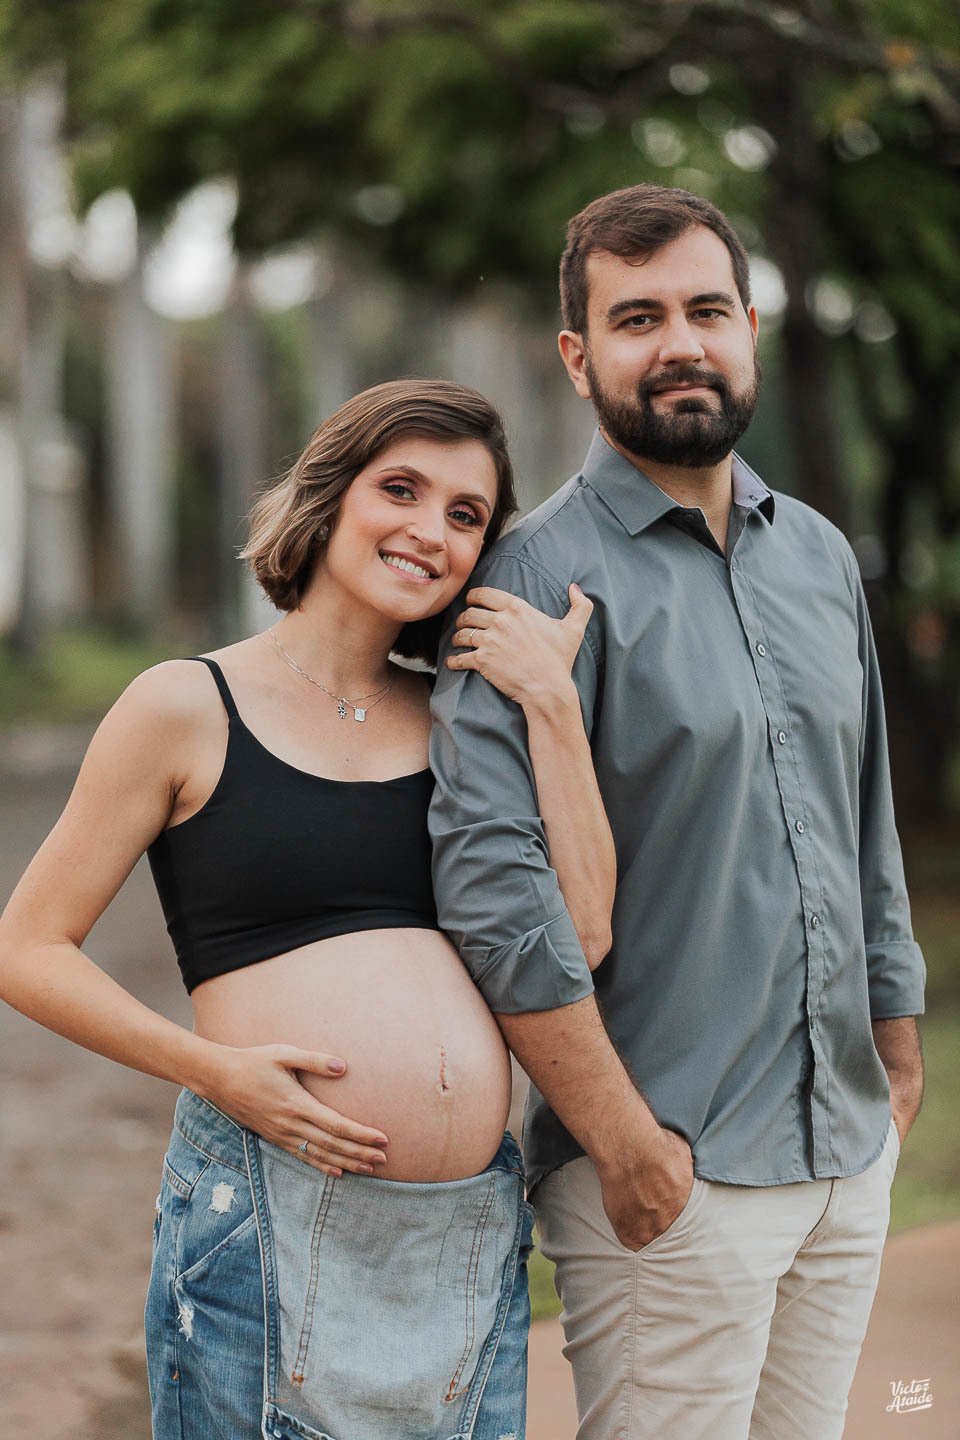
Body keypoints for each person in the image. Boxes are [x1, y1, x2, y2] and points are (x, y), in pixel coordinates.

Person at [0, 378, 614, 1440]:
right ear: (332, 496)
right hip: (266, 1213)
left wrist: (552, 704)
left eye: (466, 515)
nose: (430, 531)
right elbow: (27, 948)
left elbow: (586, 931)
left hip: (464, 1236)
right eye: (401, 489)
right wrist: (214, 1071)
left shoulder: (464, 720)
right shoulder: (184, 705)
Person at [429, 185, 926, 1439]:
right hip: (670, 1176)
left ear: (749, 329)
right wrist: (624, 1143)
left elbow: (864, 818)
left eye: (706, 311)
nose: (680, 344)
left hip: (844, 1152)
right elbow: (496, 896)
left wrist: (897, 1049)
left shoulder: (819, 556)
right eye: (637, 318)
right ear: (578, 354)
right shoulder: (529, 580)